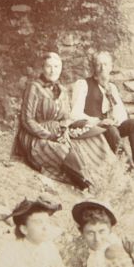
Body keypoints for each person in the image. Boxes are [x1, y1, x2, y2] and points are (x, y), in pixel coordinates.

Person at [13, 52, 122, 190]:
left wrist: (70, 129)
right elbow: (27, 120)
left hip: (59, 131)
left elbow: (66, 118)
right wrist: (50, 136)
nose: (53, 71)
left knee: (94, 137)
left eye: (57, 67)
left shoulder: (62, 90)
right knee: (66, 151)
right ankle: (89, 185)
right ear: (42, 68)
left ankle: (111, 176)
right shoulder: (34, 87)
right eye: (49, 66)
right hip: (36, 135)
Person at [68, 50, 134, 167]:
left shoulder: (111, 87)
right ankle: (127, 167)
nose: (103, 68)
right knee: (110, 128)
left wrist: (114, 119)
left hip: (109, 128)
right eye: (99, 64)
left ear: (111, 67)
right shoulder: (83, 84)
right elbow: (74, 114)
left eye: (106, 64)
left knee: (133, 124)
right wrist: (99, 121)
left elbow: (121, 114)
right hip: (90, 127)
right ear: (94, 67)